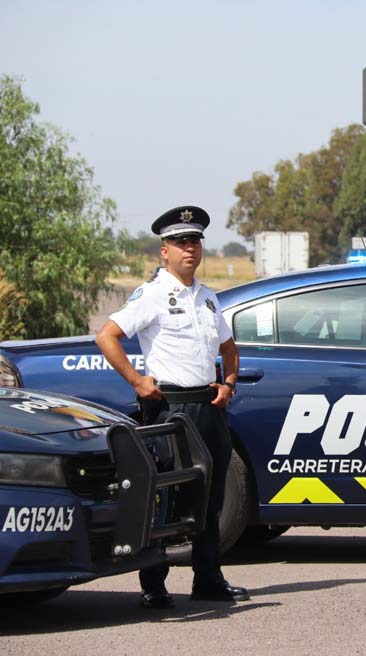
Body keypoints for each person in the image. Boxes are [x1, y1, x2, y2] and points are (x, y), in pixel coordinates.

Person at [96, 205, 249, 609]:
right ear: (163, 251)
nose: (190, 249)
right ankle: (154, 584)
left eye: (195, 241)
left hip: (207, 406)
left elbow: (229, 349)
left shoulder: (208, 298)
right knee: (165, 497)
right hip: (170, 409)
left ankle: (208, 577)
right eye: (181, 242)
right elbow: (107, 337)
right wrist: (136, 380)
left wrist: (228, 383)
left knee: (212, 495)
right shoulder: (152, 295)